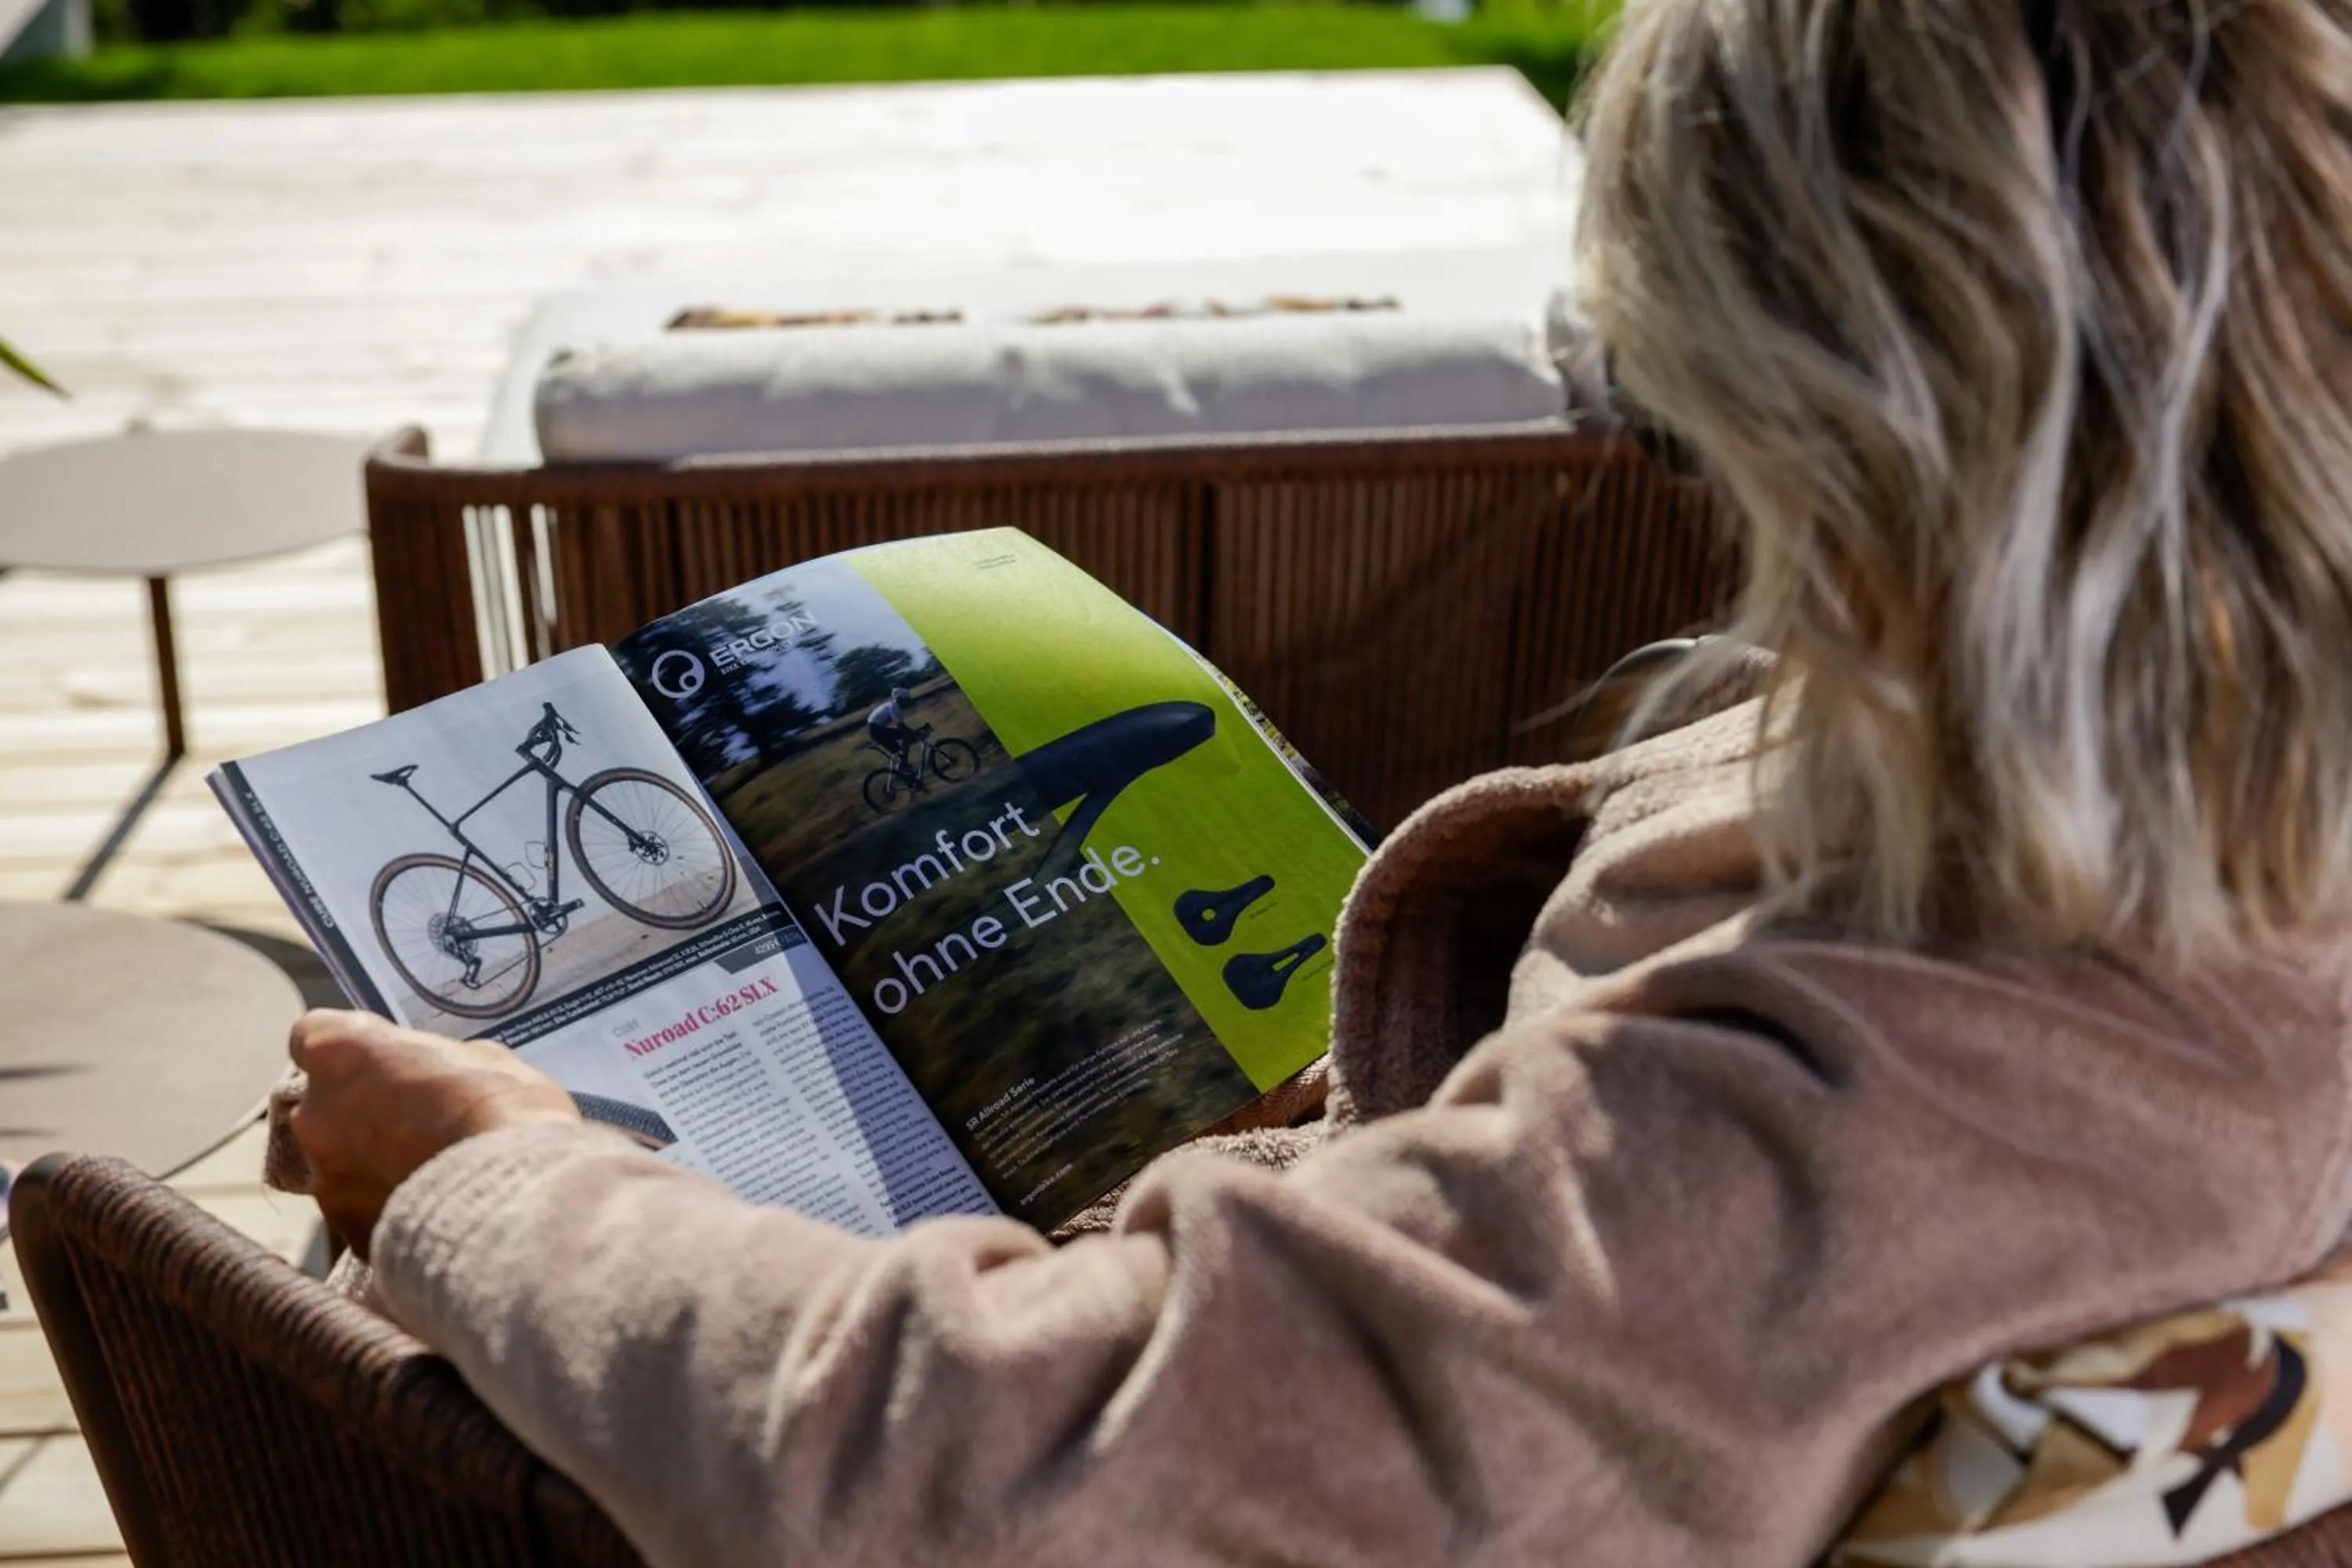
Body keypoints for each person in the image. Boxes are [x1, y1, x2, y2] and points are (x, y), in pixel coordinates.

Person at [279, 2, 2352, 1563]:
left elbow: (994, 1483)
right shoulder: (2204, 834)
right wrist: (1377, 1149)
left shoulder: (1878, 1084)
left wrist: (485, 1175)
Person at [864, 683, 920, 768]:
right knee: (905, 736)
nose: (907, 701)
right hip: (876, 730)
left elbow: (902, 727)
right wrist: (914, 734)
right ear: (900, 699)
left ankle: (904, 768)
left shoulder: (896, 707)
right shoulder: (894, 707)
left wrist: (912, 733)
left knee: (900, 751)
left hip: (876, 729)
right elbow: (901, 727)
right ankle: (903, 767)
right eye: (906, 699)